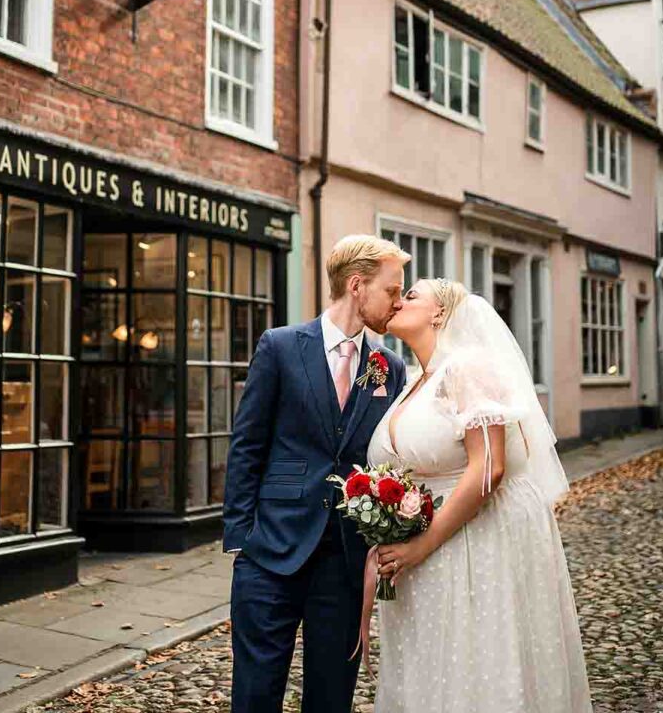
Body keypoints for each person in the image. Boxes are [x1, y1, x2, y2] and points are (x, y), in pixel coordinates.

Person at [368, 278, 593, 713]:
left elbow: (489, 467)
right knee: (432, 667)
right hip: (425, 556)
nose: (398, 301)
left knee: (473, 662)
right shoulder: (413, 382)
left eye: (411, 295)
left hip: (471, 543)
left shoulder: (468, 368)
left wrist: (422, 544)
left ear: (439, 313)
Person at [223, 234, 409, 713]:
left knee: (331, 699)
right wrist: (242, 536)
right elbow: (247, 445)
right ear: (356, 286)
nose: (397, 302)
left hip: (344, 563)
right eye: (391, 290)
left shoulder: (389, 368)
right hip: (270, 553)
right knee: (254, 694)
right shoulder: (281, 347)